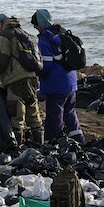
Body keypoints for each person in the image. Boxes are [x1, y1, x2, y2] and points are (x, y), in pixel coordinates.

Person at [0, 13, 42, 147]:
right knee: (33, 115)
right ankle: (40, 146)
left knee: (16, 117)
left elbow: (2, 61)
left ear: (0, 24)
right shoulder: (23, 33)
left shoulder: (5, 35)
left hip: (16, 81)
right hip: (32, 79)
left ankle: (16, 149)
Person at [31, 10, 83, 144]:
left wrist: (36, 73)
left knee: (55, 115)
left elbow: (46, 66)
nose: (35, 28)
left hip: (56, 85)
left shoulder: (44, 40)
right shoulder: (62, 33)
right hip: (71, 82)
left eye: (35, 25)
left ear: (40, 24)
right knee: (70, 112)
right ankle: (79, 139)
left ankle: (52, 142)